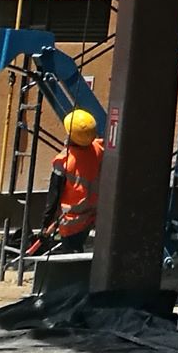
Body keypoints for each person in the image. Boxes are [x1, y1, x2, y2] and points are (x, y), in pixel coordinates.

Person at [31, 106, 105, 255]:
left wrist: (45, 226)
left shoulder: (63, 161)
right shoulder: (98, 148)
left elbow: (53, 197)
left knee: (72, 254)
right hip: (93, 214)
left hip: (73, 220)